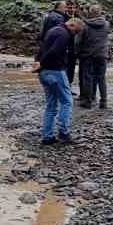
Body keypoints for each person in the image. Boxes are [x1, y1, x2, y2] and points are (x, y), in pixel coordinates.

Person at [35, 16, 81, 144]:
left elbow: (42, 48)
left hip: (44, 73)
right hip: (55, 71)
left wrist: (38, 63)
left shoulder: (52, 30)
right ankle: (64, 133)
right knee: (67, 101)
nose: (75, 34)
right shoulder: (64, 34)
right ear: (72, 25)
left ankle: (47, 136)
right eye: (76, 31)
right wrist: (42, 63)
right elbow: (54, 52)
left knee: (51, 105)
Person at [76, 4, 111, 109]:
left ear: (90, 13)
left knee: (88, 78)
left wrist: (77, 53)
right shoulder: (107, 24)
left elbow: (78, 41)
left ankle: (88, 101)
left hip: (88, 55)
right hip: (102, 55)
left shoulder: (85, 26)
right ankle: (103, 101)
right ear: (101, 12)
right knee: (101, 78)